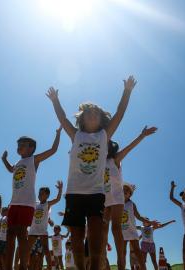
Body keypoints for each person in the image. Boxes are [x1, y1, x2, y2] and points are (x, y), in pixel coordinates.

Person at [46, 75, 137, 270]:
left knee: (96, 236)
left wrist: (127, 91)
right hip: (74, 192)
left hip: (96, 193)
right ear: (82, 119)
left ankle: (96, 265)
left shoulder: (104, 136)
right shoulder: (76, 134)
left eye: (96, 113)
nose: (92, 115)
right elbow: (62, 118)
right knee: (77, 238)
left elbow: (120, 113)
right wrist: (55, 101)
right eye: (88, 113)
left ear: (102, 119)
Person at [2, 127, 62, 270]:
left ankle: (23, 266)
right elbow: (11, 169)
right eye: (18, 145)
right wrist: (4, 159)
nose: (19, 147)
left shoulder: (33, 160)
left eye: (23, 145)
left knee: (22, 234)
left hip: (26, 203)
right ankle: (8, 267)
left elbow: (53, 150)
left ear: (31, 148)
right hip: (14, 203)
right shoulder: (17, 163)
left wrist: (58, 134)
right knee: (9, 235)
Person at [103, 125, 157, 270]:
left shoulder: (115, 159)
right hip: (104, 198)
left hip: (115, 197)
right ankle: (110, 260)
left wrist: (142, 135)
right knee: (103, 228)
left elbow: (128, 148)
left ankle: (124, 262)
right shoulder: (99, 162)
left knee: (115, 229)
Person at [121, 183, 158, 270]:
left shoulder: (131, 204)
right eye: (123, 190)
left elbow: (139, 216)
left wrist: (150, 222)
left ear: (130, 194)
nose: (124, 192)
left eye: (127, 191)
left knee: (138, 252)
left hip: (132, 231)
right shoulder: (118, 204)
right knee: (123, 253)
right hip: (122, 232)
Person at [28, 181, 63, 269]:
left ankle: (49, 266)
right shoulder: (35, 204)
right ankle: (25, 265)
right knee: (27, 249)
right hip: (33, 230)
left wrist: (60, 190)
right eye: (39, 194)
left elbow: (57, 199)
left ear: (47, 195)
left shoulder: (48, 204)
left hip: (42, 230)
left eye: (42, 194)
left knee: (46, 249)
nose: (39, 195)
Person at [169, 180, 185, 270]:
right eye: (182, 196)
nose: (183, 197)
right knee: (184, 251)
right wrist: (172, 187)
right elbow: (171, 198)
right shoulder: (182, 205)